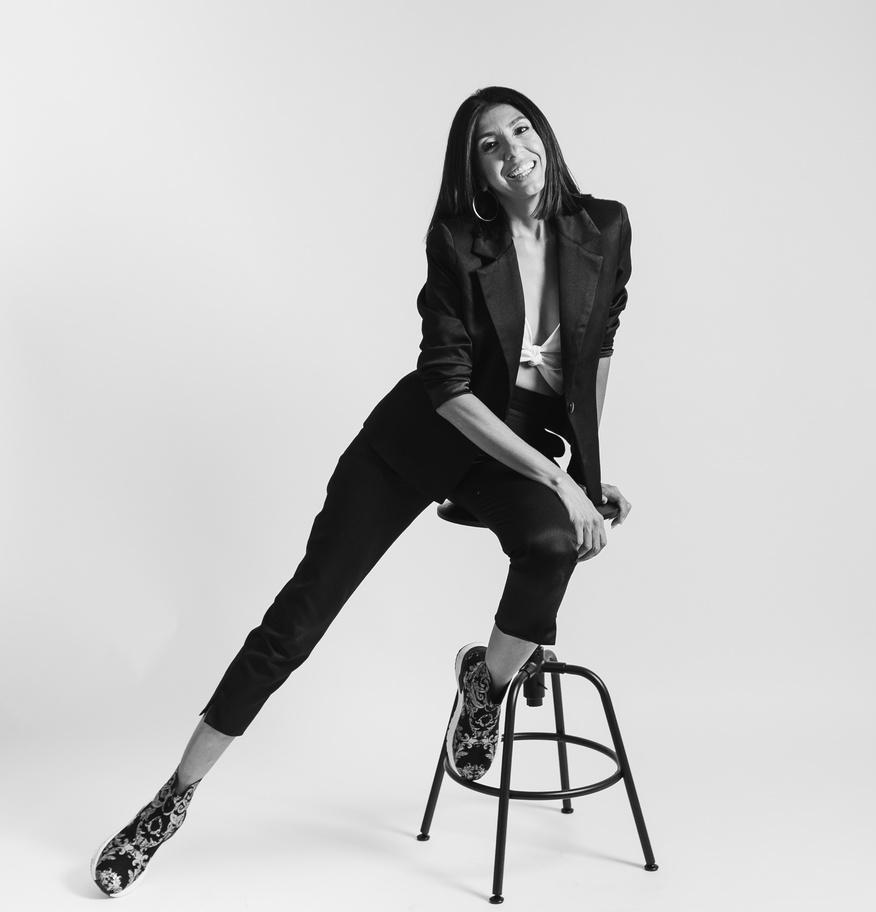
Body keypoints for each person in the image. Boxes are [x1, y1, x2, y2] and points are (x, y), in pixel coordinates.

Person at [90, 84, 634, 897]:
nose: (513, 151)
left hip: (510, 452)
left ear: (546, 137)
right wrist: (560, 478)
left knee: (554, 543)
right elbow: (448, 389)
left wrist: (586, 477)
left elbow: (597, 347)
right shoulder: (458, 242)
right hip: (416, 444)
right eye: (489, 145)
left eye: (522, 130)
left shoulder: (604, 228)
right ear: (476, 172)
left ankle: (483, 688)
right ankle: (174, 796)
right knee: (297, 622)